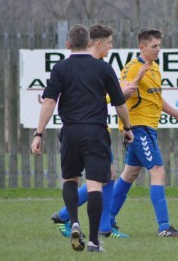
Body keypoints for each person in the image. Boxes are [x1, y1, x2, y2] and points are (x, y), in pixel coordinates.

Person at [31, 24, 134, 252]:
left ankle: (74, 221)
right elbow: (119, 104)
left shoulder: (60, 69)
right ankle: (94, 241)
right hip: (96, 132)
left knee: (70, 180)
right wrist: (127, 127)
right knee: (96, 184)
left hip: (70, 131)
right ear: (89, 43)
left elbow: (49, 102)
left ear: (68, 45)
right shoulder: (103, 69)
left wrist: (38, 133)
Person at [109, 28, 178, 237]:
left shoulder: (154, 69)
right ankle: (164, 227)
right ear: (142, 47)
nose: (158, 50)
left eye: (159, 46)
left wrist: (177, 115)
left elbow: (156, 98)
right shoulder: (132, 68)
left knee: (130, 174)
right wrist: (134, 82)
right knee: (157, 171)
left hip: (148, 129)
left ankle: (106, 222)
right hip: (138, 129)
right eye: (154, 46)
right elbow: (119, 96)